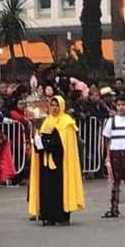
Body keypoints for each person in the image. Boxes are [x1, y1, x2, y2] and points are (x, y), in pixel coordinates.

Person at [28, 96, 85, 225]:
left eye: (57, 105)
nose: (54, 108)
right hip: (46, 163)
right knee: (47, 189)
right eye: (52, 105)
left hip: (61, 163)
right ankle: (48, 216)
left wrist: (47, 144)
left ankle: (62, 216)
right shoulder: (47, 121)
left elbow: (64, 145)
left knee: (60, 189)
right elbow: (41, 139)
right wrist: (38, 143)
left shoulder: (67, 122)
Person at [101, 95, 125, 218]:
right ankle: (114, 207)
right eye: (118, 105)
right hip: (115, 151)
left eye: (123, 105)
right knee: (115, 180)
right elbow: (106, 138)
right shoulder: (112, 121)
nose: (121, 107)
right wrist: (107, 155)